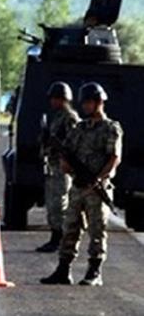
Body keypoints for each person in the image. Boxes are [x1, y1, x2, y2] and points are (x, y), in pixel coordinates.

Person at [41, 82, 123, 286]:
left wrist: (101, 178)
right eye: (84, 102)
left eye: (89, 102)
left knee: (97, 230)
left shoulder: (110, 128)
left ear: (99, 102)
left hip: (97, 188)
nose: (85, 106)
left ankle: (94, 272)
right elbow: (65, 149)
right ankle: (63, 269)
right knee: (70, 227)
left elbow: (114, 157)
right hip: (78, 186)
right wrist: (66, 164)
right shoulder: (79, 128)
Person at [36, 82, 80, 253]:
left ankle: (60, 238)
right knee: (52, 203)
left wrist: (56, 144)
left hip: (63, 165)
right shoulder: (58, 116)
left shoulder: (70, 117)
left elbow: (73, 142)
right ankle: (55, 236)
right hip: (53, 164)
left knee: (60, 203)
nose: (52, 102)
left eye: (56, 98)